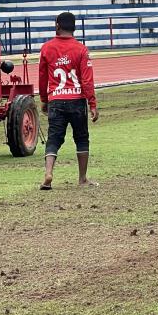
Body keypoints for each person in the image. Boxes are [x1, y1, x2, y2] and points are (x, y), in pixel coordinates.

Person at [37, 11, 98, 190]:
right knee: (81, 138)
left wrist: (44, 100)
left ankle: (48, 174)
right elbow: (87, 80)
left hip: (56, 100)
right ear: (74, 27)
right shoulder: (81, 49)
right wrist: (92, 103)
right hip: (77, 100)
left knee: (53, 138)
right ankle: (82, 178)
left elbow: (42, 78)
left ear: (57, 26)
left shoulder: (46, 48)